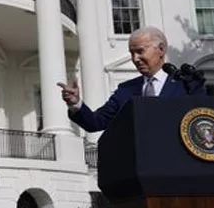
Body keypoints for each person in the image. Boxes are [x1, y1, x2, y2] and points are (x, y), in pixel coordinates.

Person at [58, 26, 205, 133]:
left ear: (161, 49)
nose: (135, 59)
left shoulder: (187, 85)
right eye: (132, 53)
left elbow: (202, 125)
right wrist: (75, 103)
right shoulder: (125, 90)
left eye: (140, 51)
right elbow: (96, 122)